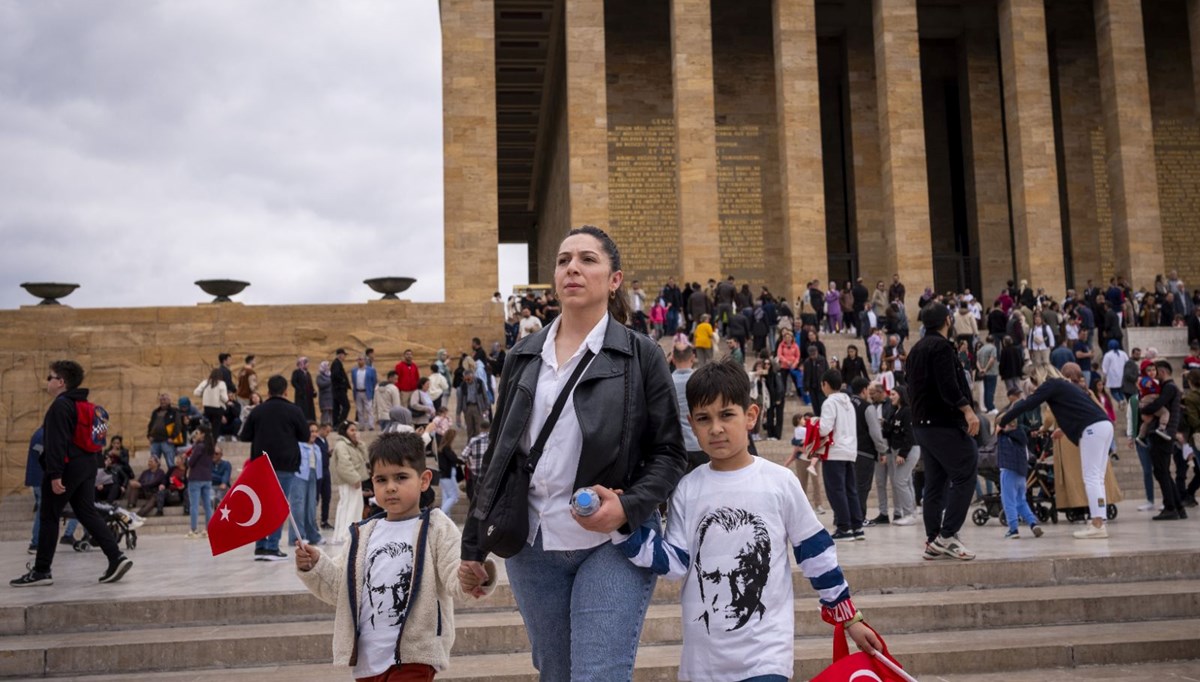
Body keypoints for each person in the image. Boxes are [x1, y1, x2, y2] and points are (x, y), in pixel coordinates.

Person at [459, 225, 686, 682]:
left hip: (612, 544)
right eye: (564, 261)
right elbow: (501, 455)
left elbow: (669, 454)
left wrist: (626, 505)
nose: (573, 269)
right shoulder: (523, 354)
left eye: (587, 259)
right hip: (532, 542)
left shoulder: (641, 356)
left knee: (598, 674)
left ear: (615, 279)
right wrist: (474, 546)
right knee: (556, 673)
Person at [616, 360, 881, 681]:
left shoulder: (780, 483)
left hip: (765, 659)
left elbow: (817, 556)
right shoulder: (687, 488)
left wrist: (849, 618)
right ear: (691, 424)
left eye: (727, 414)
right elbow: (675, 563)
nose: (715, 428)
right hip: (703, 667)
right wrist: (623, 523)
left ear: (751, 416)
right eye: (704, 419)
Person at [294, 432, 496, 680]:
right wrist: (315, 565)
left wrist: (471, 576)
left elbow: (454, 576)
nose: (390, 487)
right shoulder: (362, 533)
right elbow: (341, 589)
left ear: (424, 480)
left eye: (401, 477)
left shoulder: (436, 527)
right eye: (381, 479)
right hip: (368, 660)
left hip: (414, 656)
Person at [12, 361, 133, 587]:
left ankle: (41, 571)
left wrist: (55, 474)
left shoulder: (61, 406)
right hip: (88, 466)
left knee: (49, 515)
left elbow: (56, 443)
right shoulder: (84, 405)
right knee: (87, 512)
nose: (47, 381)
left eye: (50, 377)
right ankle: (116, 557)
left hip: (67, 467)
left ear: (61, 382)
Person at [998, 363, 1116, 537]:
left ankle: (1097, 525)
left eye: (1034, 382)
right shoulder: (1064, 385)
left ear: (1039, 376)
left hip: (1092, 429)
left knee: (1091, 477)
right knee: (1097, 477)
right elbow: (1076, 409)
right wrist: (1064, 429)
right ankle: (1100, 521)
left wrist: (1002, 421)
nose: (1036, 387)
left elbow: (1028, 404)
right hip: (1103, 426)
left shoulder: (1051, 384)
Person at [905, 303, 981, 561]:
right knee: (966, 468)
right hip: (941, 423)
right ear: (948, 320)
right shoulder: (941, 347)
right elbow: (947, 385)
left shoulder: (916, 349)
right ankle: (948, 535)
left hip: (922, 425)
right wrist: (967, 411)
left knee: (935, 483)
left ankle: (933, 540)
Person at [239, 375, 310, 560]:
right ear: (286, 391)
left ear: (268, 391)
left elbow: (244, 435)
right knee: (277, 505)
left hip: (261, 466)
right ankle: (272, 547)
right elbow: (305, 435)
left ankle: (261, 546)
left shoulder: (258, 411)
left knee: (261, 507)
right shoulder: (294, 410)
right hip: (285, 465)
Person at [816, 368, 862, 541]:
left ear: (825, 384)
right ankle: (857, 526)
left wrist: (815, 424)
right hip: (850, 450)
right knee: (850, 489)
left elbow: (825, 429)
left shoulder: (829, 402)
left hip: (835, 452)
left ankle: (844, 527)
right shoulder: (848, 402)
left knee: (836, 490)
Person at [1139, 361, 1186, 520]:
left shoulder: (1169, 388)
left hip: (1163, 434)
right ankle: (1178, 506)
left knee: (1161, 471)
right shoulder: (1168, 387)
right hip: (1164, 434)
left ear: (1163, 371)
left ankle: (1170, 507)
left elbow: (1157, 404)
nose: (1153, 374)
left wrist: (1143, 409)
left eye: (1156, 371)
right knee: (1163, 471)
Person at [879, 385, 919, 525]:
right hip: (899, 449)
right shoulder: (897, 411)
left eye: (894, 394)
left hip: (908, 450)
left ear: (901, 395)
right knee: (905, 481)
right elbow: (893, 430)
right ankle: (911, 512)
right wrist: (885, 424)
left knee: (900, 480)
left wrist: (902, 453)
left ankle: (909, 513)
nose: (891, 397)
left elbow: (909, 434)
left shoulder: (907, 411)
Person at [670, 345, 707, 471]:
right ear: (693, 357)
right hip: (701, 443)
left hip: (676, 445)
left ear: (673, 359)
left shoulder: (667, 382)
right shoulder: (703, 381)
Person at [781, 414, 825, 515]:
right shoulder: (801, 430)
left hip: (813, 458)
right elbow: (795, 441)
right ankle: (802, 506)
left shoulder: (811, 429)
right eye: (804, 419)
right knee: (802, 482)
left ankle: (818, 505)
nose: (806, 421)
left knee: (816, 483)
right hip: (801, 459)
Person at [185, 422, 215, 540]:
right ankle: (209, 529)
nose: (195, 435)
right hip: (207, 478)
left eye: (197, 433)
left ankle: (193, 529)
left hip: (196, 478)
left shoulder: (199, 446)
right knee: (207, 505)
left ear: (202, 434)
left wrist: (188, 458)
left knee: (194, 505)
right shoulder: (210, 446)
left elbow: (191, 462)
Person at [295, 422, 324, 546]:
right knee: (299, 507)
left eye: (316, 431)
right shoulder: (299, 445)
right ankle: (297, 537)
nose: (314, 434)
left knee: (311, 507)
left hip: (313, 476)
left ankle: (313, 536)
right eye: (311, 431)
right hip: (299, 476)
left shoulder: (316, 447)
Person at [146, 393, 183, 470]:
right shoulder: (155, 412)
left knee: (170, 463)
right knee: (154, 463)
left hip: (167, 441)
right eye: (161, 400)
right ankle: (155, 479)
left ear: (169, 401)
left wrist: (172, 437)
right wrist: (149, 435)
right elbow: (151, 424)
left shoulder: (174, 412)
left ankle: (172, 479)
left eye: (165, 399)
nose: (163, 401)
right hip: (155, 441)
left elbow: (178, 425)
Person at [455, 370, 490, 438]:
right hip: (467, 408)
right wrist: (458, 414)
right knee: (469, 428)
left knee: (478, 427)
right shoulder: (463, 386)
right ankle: (470, 444)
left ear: (473, 376)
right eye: (465, 379)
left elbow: (485, 395)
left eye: (468, 379)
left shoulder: (479, 383)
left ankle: (478, 442)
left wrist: (486, 407)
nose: (467, 381)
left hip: (478, 407)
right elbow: (460, 401)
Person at [435, 429, 462, 515]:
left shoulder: (442, 448)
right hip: (448, 475)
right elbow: (453, 459)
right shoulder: (446, 448)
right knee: (454, 496)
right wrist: (463, 461)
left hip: (443, 475)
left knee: (446, 497)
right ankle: (441, 514)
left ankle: (446, 518)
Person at [352, 355, 378, 431]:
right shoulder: (354, 370)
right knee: (359, 410)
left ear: (364, 360)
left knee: (369, 409)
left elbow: (374, 381)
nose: (360, 361)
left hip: (367, 391)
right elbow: (353, 381)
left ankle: (371, 425)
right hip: (358, 392)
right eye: (358, 359)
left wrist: (372, 390)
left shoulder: (371, 370)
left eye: (361, 359)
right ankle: (361, 426)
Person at [291, 357, 316, 422]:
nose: (308, 364)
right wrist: (300, 390)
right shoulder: (296, 372)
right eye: (306, 363)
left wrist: (313, 391)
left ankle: (310, 421)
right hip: (301, 396)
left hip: (308, 395)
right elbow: (294, 382)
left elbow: (310, 383)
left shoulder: (307, 373)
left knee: (309, 409)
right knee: (302, 409)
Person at [331, 349, 351, 427]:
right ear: (340, 355)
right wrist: (343, 381)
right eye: (344, 355)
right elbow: (335, 375)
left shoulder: (337, 363)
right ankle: (340, 423)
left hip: (336, 389)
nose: (344, 357)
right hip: (339, 389)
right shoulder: (336, 363)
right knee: (346, 406)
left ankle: (336, 424)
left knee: (336, 407)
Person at [316, 360, 334, 426]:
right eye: (327, 366)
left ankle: (331, 425)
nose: (328, 367)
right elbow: (321, 384)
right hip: (324, 397)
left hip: (331, 396)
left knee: (331, 411)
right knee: (325, 411)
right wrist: (330, 381)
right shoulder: (319, 376)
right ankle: (324, 425)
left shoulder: (330, 375)